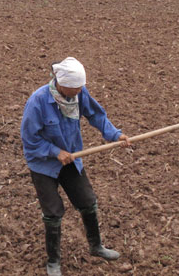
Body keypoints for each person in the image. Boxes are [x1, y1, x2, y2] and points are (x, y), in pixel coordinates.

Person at [20, 57, 131, 276]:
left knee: (87, 202)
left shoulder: (79, 94)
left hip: (71, 158)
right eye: (74, 88)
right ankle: (53, 262)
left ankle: (96, 246)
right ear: (60, 84)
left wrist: (115, 134)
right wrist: (54, 152)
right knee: (53, 212)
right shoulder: (38, 102)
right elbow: (29, 140)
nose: (78, 92)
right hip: (43, 164)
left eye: (81, 88)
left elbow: (96, 115)